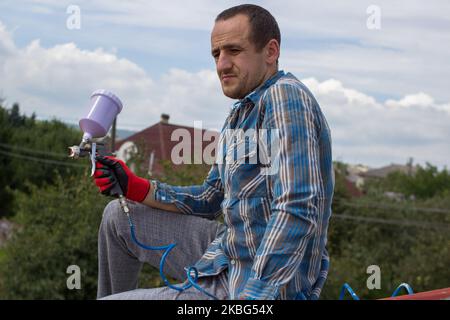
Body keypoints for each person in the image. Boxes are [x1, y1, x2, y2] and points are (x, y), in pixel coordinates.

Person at [94, 4, 334, 300]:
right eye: (216, 54)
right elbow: (210, 198)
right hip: (225, 255)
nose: (221, 65)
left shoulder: (285, 96)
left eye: (234, 51)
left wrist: (256, 297)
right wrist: (136, 188)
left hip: (259, 287)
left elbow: (298, 205)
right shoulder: (239, 114)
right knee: (119, 216)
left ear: (270, 52)